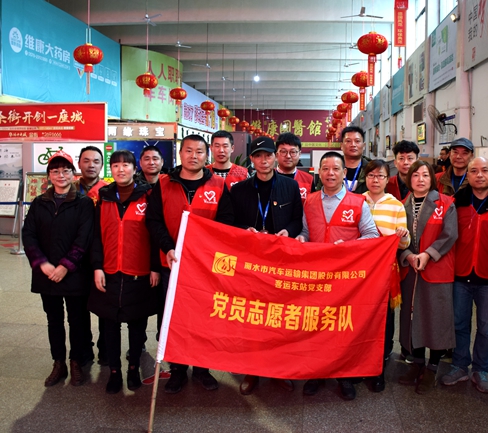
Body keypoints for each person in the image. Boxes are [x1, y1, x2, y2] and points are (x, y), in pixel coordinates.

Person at [146, 134, 235, 394]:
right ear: (180, 153)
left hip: (204, 267)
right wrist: (168, 247)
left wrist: (205, 251)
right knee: (173, 318)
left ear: (206, 156)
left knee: (203, 318)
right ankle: (177, 370)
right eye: (188, 151)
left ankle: (202, 369)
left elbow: (226, 223)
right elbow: (153, 221)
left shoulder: (218, 185)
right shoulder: (163, 184)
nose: (193, 156)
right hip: (171, 264)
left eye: (199, 151)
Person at [297, 151, 379, 401]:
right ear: (319, 173)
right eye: (325, 168)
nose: (330, 173)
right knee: (315, 325)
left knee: (342, 327)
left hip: (345, 279)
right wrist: (301, 238)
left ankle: (344, 376)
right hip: (316, 276)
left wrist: (349, 246)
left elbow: (372, 235)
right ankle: (316, 373)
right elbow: (305, 231)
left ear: (344, 173)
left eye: (335, 169)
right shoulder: (310, 200)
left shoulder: (358, 202)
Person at [229, 136, 303, 395]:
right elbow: (228, 222)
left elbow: (298, 219)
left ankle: (279, 370)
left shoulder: (290, 187)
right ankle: (252, 371)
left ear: (275, 158)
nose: (264, 160)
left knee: (280, 318)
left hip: (281, 261)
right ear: (251, 159)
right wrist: (244, 230)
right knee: (252, 318)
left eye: (268, 155)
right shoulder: (239, 190)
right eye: (258, 156)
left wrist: (288, 231)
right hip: (250, 264)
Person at [88, 150, 159, 394]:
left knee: (137, 324)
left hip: (138, 271)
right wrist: (97, 267)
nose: (121, 169)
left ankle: (133, 368)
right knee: (109, 324)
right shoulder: (104, 197)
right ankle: (114, 371)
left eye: (126, 165)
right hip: (109, 270)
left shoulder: (148, 196)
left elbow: (155, 233)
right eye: (116, 165)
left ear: (134, 169)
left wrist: (154, 267)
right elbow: (96, 236)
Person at [440, 157, 488, 394]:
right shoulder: (456, 203)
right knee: (459, 324)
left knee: (486, 328)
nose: (479, 175)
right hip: (460, 275)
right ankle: (460, 365)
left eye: (484, 170)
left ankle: (481, 369)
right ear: (468, 176)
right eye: (474, 171)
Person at [22, 150, 95, 387]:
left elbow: (84, 238)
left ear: (73, 174)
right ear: (49, 175)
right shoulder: (39, 203)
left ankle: (76, 361)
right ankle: (59, 362)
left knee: (77, 319)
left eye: (65, 170)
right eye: (55, 171)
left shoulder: (83, 203)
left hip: (74, 274)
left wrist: (65, 266)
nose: (60, 175)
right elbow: (28, 235)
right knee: (53, 320)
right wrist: (42, 264)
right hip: (46, 275)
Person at [397, 160, 458, 395]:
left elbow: (449, 235)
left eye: (425, 175)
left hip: (436, 269)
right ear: (409, 179)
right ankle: (417, 363)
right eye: (415, 175)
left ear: (432, 178)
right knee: (413, 318)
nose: (420, 179)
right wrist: (407, 255)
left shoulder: (445, 203)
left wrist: (427, 254)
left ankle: (432, 368)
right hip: (411, 270)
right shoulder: (402, 205)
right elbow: (396, 238)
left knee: (436, 318)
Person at [362, 159, 410, 392]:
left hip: (384, 272)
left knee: (385, 319)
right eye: (371, 176)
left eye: (380, 176)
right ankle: (360, 362)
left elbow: (404, 244)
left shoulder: (396, 205)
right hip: (361, 273)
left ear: (386, 179)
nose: (376, 180)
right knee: (362, 318)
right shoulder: (357, 201)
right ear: (365, 178)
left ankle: (380, 364)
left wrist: (402, 235)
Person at [74, 145, 109, 365]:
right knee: (78, 309)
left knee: (105, 307)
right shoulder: (70, 189)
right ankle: (84, 351)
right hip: (75, 259)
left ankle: (105, 349)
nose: (91, 165)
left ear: (101, 165)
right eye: (86, 161)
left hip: (102, 257)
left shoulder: (108, 191)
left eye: (96, 161)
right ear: (79, 163)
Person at [317, 126, 370, 194]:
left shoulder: (371, 168)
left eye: (357, 141)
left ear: (364, 146)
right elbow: (319, 193)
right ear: (341, 146)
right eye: (348, 141)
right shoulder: (330, 167)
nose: (353, 145)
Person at [275, 132, 316, 203]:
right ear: (276, 154)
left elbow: (313, 205)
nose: (288, 156)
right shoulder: (268, 177)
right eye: (283, 151)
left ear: (299, 154)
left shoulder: (308, 179)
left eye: (293, 152)